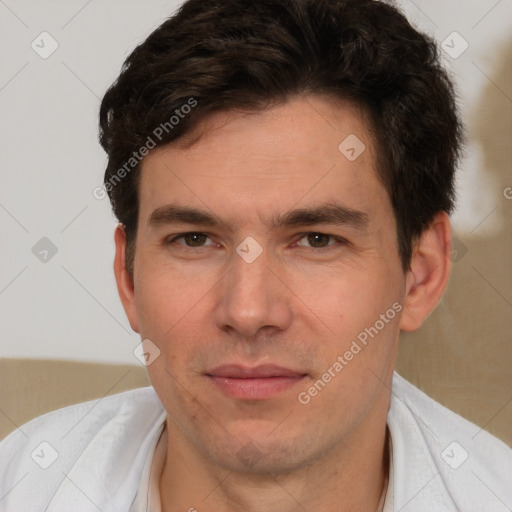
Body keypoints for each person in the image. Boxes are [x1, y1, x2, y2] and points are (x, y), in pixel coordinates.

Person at [1, 0, 511, 510]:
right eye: (194, 239)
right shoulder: (21, 483)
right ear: (128, 277)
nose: (247, 312)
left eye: (316, 240)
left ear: (420, 275)